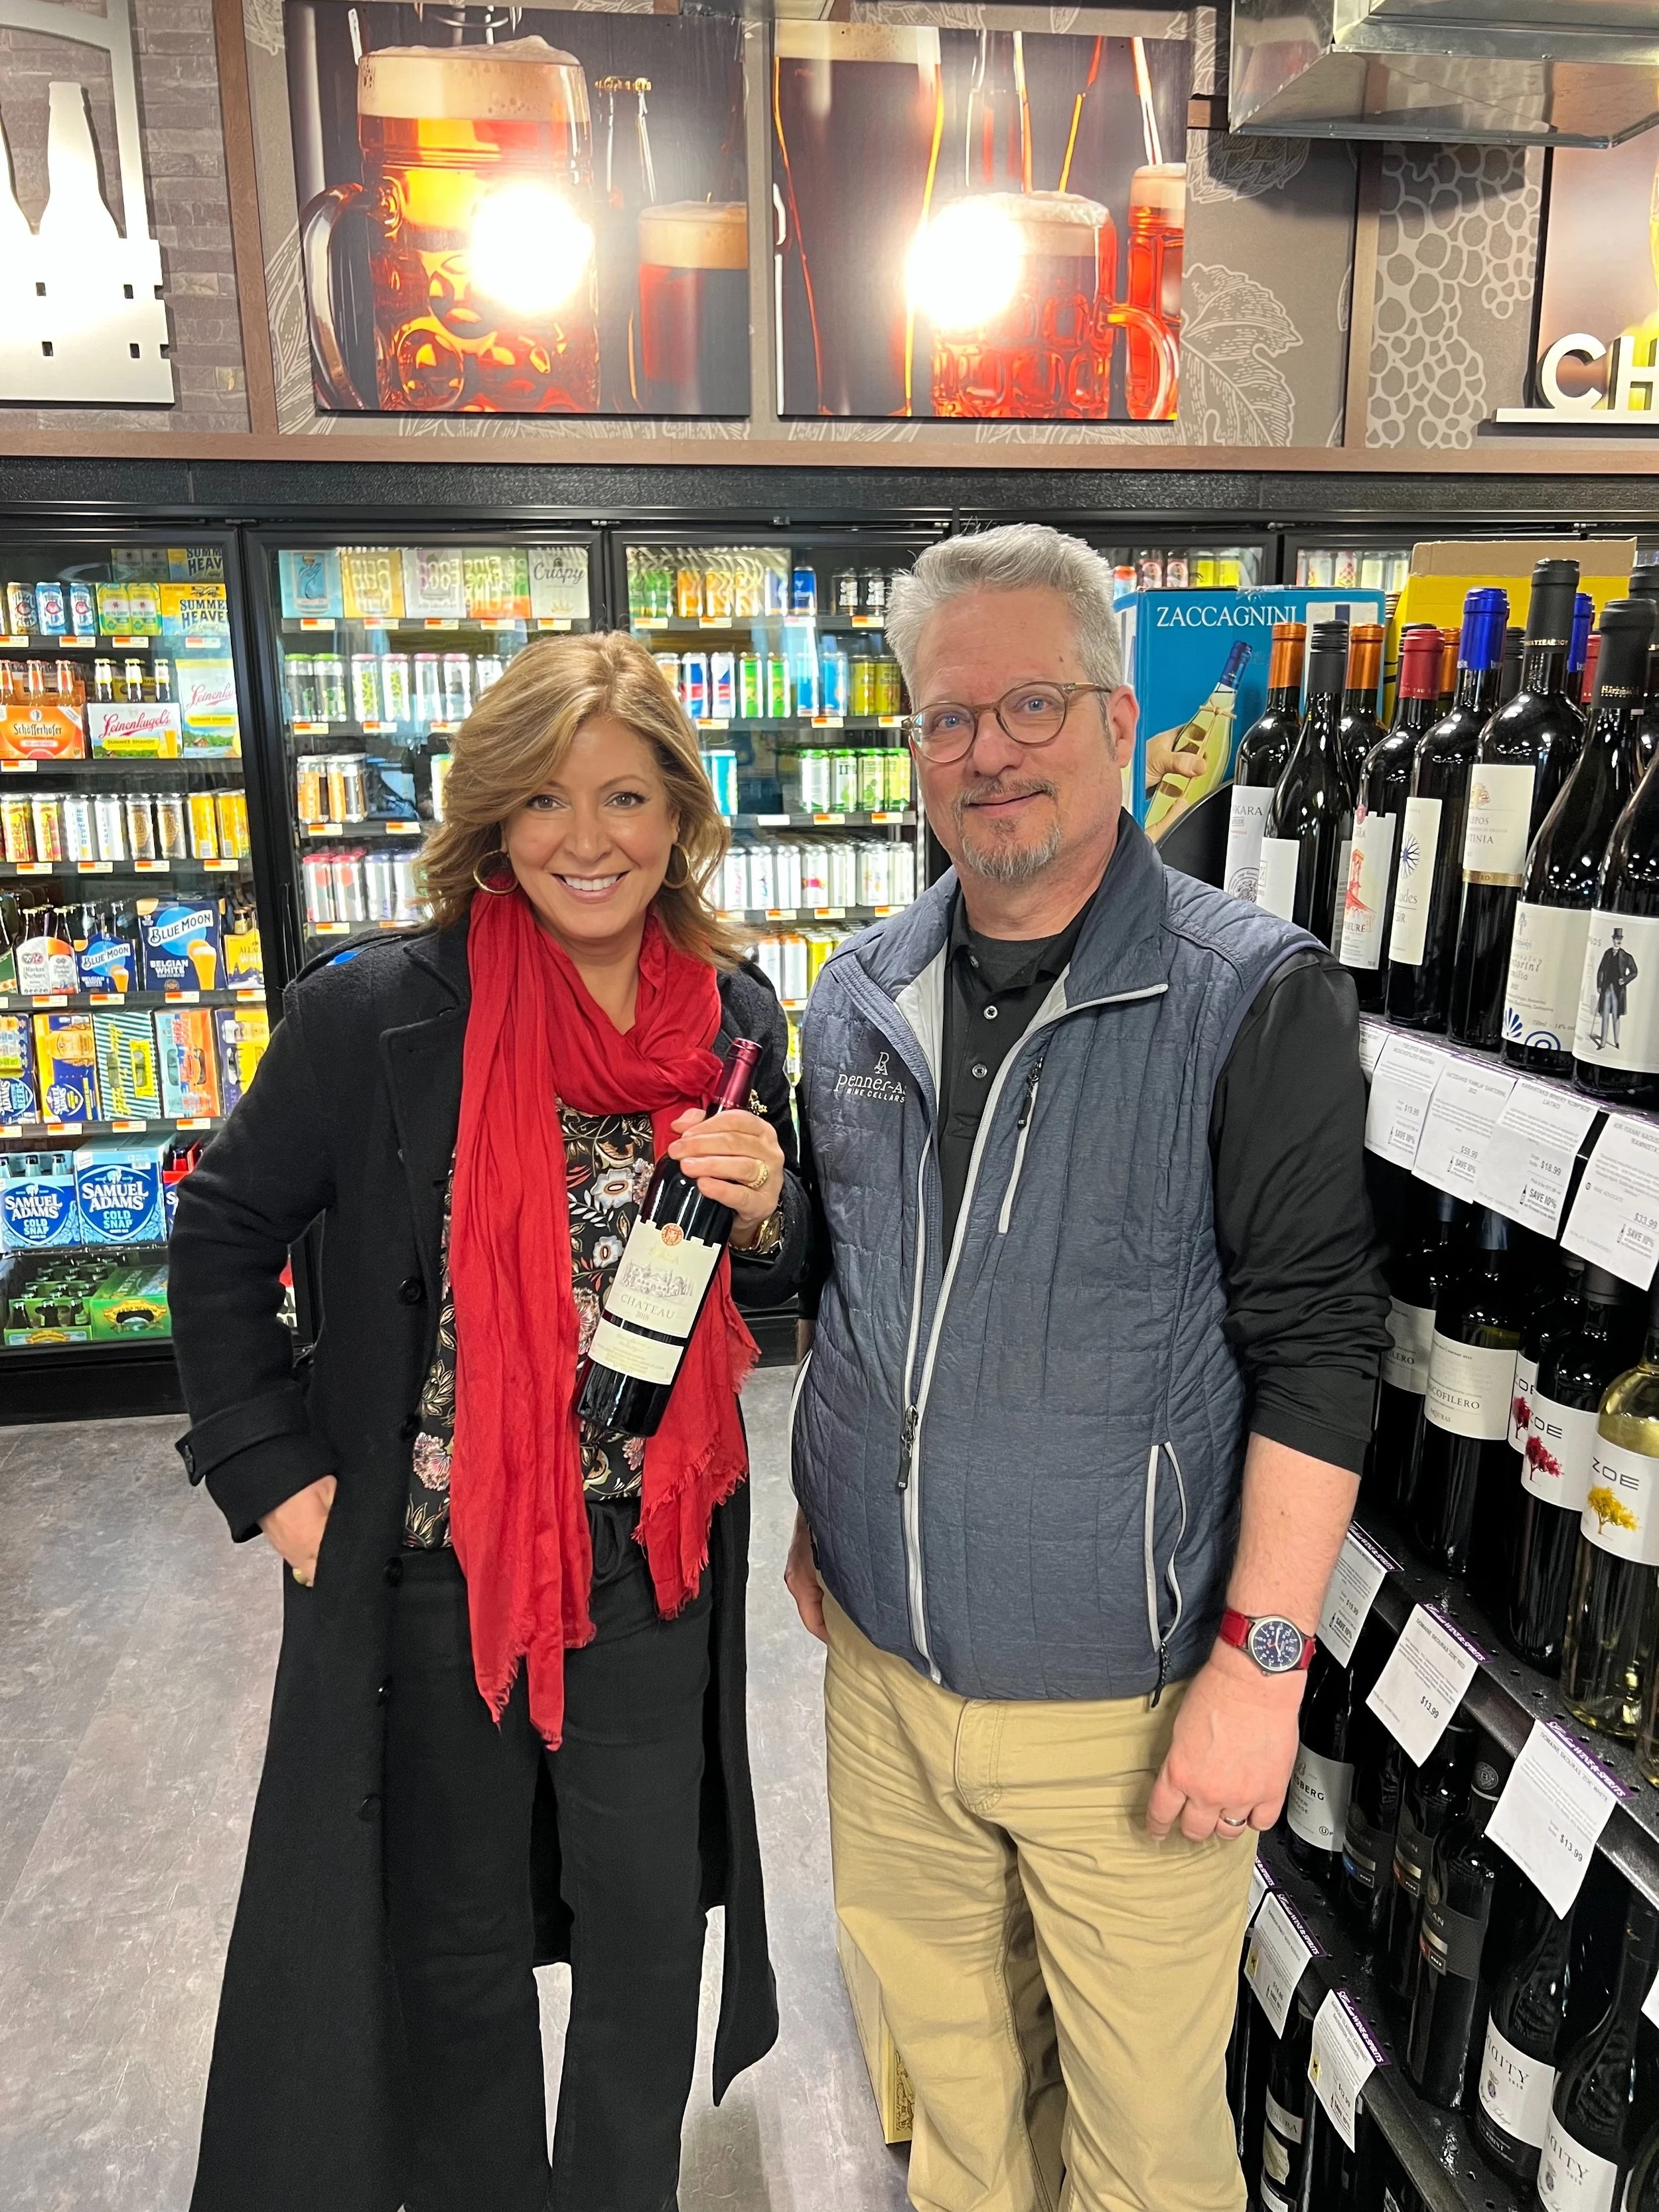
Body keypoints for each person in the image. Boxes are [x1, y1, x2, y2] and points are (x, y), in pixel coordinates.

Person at [786, 524, 1390, 2212]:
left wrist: (1265, 1667)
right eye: (945, 717)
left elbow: (1319, 1347)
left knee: (1142, 2144)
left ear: (1123, 724)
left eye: (1030, 703)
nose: (986, 750)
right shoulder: (858, 997)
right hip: (885, 1690)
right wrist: (831, 1500)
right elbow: (855, 1290)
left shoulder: (1248, 996)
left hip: (1125, 1705)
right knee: (966, 2108)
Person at [169, 632, 810, 2212]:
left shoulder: (732, 1015)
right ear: (489, 821)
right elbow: (221, 1232)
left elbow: (786, 1272)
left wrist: (776, 1206)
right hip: (437, 1572)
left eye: (623, 796)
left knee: (648, 1935)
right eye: (541, 799)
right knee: (452, 1951)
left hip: (648, 1565)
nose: (584, 839)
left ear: (679, 813)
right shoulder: (382, 1012)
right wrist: (282, 1480)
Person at [1593, 926, 1636, 1050]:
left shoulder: (1626, 956)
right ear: (1613, 939)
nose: (1618, 941)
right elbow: (1601, 970)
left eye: (1620, 939)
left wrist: (1625, 980)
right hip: (1607, 989)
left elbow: (1634, 972)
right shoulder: (1607, 953)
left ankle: (1617, 1041)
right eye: (1616, 938)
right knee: (1605, 1014)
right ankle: (1602, 1043)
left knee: (1616, 1016)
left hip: (1618, 991)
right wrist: (1599, 986)